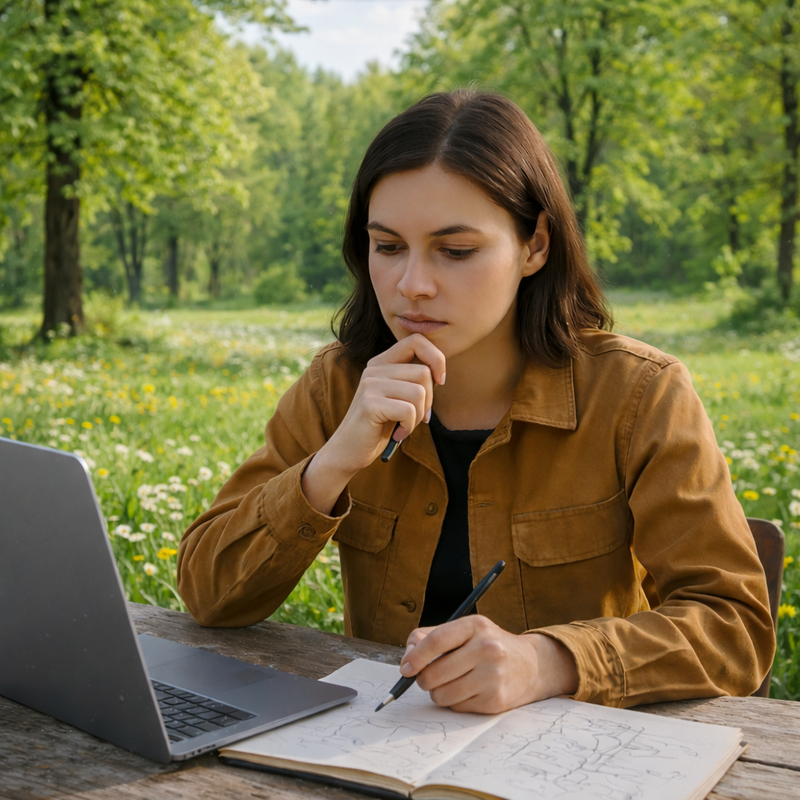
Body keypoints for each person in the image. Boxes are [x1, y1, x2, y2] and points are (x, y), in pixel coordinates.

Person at [178, 90, 775, 713]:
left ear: (535, 245)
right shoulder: (338, 386)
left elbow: (734, 630)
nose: (411, 285)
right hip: (376, 751)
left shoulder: (638, 395)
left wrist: (548, 661)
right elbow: (209, 594)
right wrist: (330, 464)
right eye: (387, 246)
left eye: (455, 251)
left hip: (572, 760)